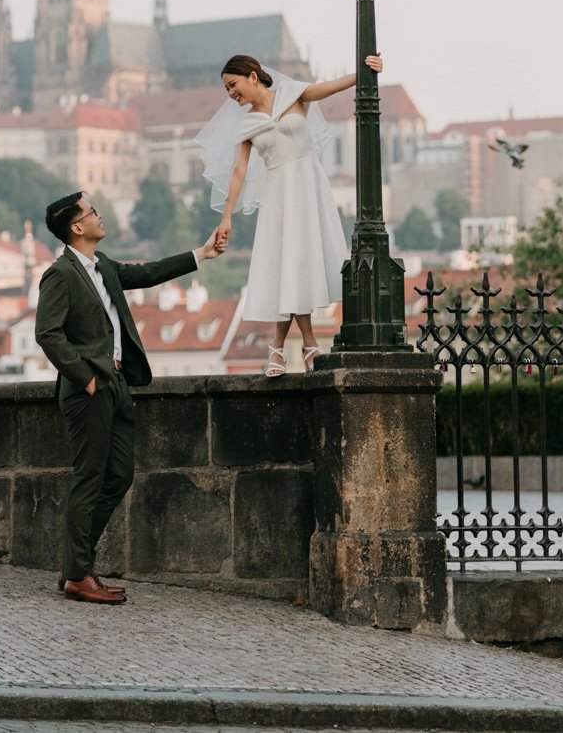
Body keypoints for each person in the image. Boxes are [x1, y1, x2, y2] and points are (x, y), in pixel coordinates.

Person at [35, 192, 223, 605]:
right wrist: (84, 377)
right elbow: (48, 334)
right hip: (90, 388)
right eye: (92, 212)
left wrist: (201, 253)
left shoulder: (102, 267)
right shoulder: (60, 274)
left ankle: (74, 563)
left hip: (118, 383)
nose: (101, 215)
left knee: (119, 475)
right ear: (77, 227)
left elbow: (149, 272)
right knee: (89, 478)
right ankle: (79, 574)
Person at [199, 53, 382, 377]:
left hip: (308, 187)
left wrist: (363, 73)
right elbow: (239, 171)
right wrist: (227, 216)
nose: (231, 94)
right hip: (279, 195)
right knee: (289, 266)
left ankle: (283, 347)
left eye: (233, 85)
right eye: (227, 89)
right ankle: (302, 345)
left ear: (253, 75)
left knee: (299, 265)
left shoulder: (293, 94)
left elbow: (328, 88)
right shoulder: (246, 124)